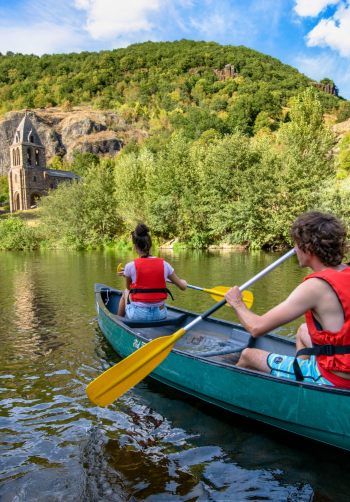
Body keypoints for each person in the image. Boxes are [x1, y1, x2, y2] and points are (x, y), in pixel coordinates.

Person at [225, 211, 350, 389]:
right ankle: (297, 386)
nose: (294, 250)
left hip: (336, 378)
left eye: (296, 245)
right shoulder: (346, 272)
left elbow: (256, 328)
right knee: (302, 330)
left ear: (308, 248)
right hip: (345, 367)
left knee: (247, 355)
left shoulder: (315, 287)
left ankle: (232, 394)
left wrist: (237, 302)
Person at [117, 223, 187, 321]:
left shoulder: (130, 266)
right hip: (160, 314)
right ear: (150, 246)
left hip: (139, 315)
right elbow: (182, 287)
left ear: (135, 247)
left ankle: (119, 321)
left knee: (125, 292)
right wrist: (184, 282)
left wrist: (128, 276)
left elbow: (129, 288)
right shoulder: (165, 265)